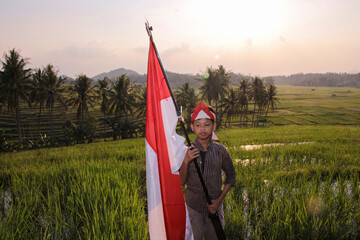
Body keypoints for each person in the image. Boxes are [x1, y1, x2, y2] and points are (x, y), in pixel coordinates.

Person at [179, 102, 236, 240]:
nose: (202, 129)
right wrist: (186, 161)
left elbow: (231, 176)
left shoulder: (220, 150)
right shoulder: (186, 150)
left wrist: (218, 202)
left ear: (213, 126)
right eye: (198, 125)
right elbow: (181, 182)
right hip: (193, 208)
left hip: (215, 208)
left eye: (207, 125)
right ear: (192, 127)